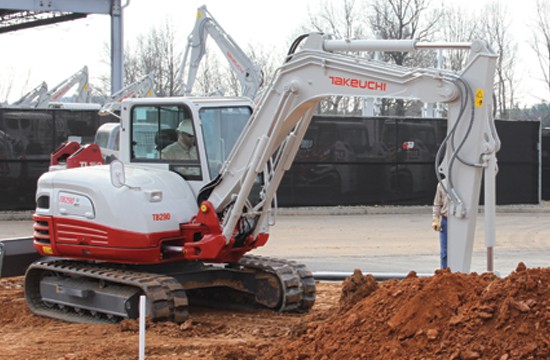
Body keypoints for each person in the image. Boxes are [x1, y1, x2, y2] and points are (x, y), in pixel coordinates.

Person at [432, 178, 449, 269]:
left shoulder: (463, 184)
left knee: (459, 251)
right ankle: (445, 273)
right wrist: (436, 219)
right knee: (444, 252)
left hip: (459, 222)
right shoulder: (442, 184)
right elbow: (437, 204)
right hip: (446, 221)